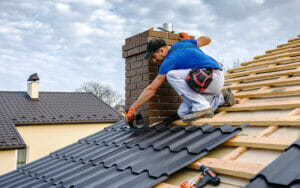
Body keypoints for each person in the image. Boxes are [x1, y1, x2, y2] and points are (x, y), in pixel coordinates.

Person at [126, 33, 235, 123]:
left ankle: (202, 107)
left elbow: (151, 89)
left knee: (171, 75)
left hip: (212, 76)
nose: (154, 61)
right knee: (183, 113)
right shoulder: (184, 43)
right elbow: (207, 39)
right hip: (210, 82)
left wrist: (133, 108)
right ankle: (222, 97)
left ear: (162, 51)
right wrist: (191, 43)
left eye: (154, 56)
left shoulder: (169, 60)